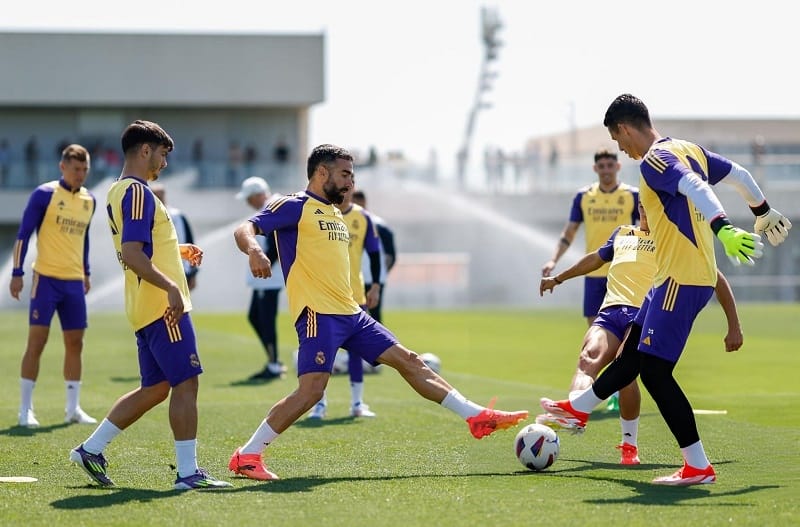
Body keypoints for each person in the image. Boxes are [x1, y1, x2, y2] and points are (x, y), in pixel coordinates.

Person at [227, 144, 528, 481]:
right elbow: (244, 229)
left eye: (352, 176)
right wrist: (254, 251)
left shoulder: (336, 213)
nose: (350, 182)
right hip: (317, 314)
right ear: (322, 172)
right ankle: (247, 455)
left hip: (352, 313)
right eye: (345, 174)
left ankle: (476, 416)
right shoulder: (294, 204)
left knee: (410, 360)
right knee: (311, 391)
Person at [540, 93, 791, 486]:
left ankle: (698, 466)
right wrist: (761, 210)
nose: (620, 150)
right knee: (632, 354)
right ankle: (579, 408)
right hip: (669, 279)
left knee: (655, 373)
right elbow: (740, 174)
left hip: (681, 278)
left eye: (617, 140)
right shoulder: (688, 149)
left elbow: (695, 186)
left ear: (624, 128)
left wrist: (723, 228)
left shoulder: (655, 160)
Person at [69, 120, 230, 490]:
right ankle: (188, 474)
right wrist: (172, 286)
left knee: (156, 389)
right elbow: (132, 252)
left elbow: (141, 245)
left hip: (144, 306)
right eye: (162, 154)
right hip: (163, 307)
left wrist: (177, 250)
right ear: (145, 150)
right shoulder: (138, 192)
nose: (165, 163)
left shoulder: (118, 190)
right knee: (186, 382)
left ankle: (91, 449)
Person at [537, 204, 743, 465]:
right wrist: (558, 279)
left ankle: (629, 445)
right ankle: (575, 413)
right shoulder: (622, 233)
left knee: (627, 373)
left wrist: (734, 324)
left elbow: (715, 277)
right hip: (611, 310)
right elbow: (595, 258)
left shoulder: (672, 236)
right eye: (644, 206)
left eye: (653, 206)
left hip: (646, 312)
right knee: (588, 358)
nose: (647, 211)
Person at [541, 148, 639, 413]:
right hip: (593, 277)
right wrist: (553, 260)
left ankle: (615, 394)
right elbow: (569, 232)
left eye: (610, 165)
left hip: (624, 277)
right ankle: (590, 396)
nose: (606, 170)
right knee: (597, 342)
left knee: (622, 347)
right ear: (595, 169)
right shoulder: (584, 197)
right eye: (601, 166)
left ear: (618, 167)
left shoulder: (632, 195)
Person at [11, 144, 97, 427]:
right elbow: (23, 234)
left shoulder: (89, 200)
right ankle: (25, 409)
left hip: (74, 282)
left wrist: (86, 272)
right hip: (45, 280)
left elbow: (84, 238)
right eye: (76, 169)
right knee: (37, 341)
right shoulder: (44, 194)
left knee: (76, 343)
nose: (80, 174)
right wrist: (17, 272)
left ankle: (73, 409)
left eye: (85, 169)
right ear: (62, 167)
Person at [307, 185, 382, 419]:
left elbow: (375, 253)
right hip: (325, 296)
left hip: (355, 295)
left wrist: (376, 285)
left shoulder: (363, 217)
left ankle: (357, 403)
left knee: (357, 352)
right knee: (322, 352)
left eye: (350, 185)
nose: (345, 190)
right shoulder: (320, 214)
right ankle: (319, 405)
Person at [235, 176, 286, 381]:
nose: (248, 203)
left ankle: (274, 365)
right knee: (255, 317)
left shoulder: (272, 207)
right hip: (266, 277)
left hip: (270, 278)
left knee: (265, 320)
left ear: (258, 195)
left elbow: (275, 244)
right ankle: (274, 362)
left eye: (249, 198)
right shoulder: (268, 208)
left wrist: (265, 266)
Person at [352, 189, 397, 324]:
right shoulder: (346, 219)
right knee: (355, 317)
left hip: (373, 279)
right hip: (355, 277)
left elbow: (391, 254)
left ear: (363, 202)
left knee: (375, 317)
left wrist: (381, 274)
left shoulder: (377, 224)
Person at [151, 183, 199, 291]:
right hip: (158, 271)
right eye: (156, 196)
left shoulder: (178, 216)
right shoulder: (147, 218)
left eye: (161, 196)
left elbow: (189, 242)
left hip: (181, 269)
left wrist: (193, 272)